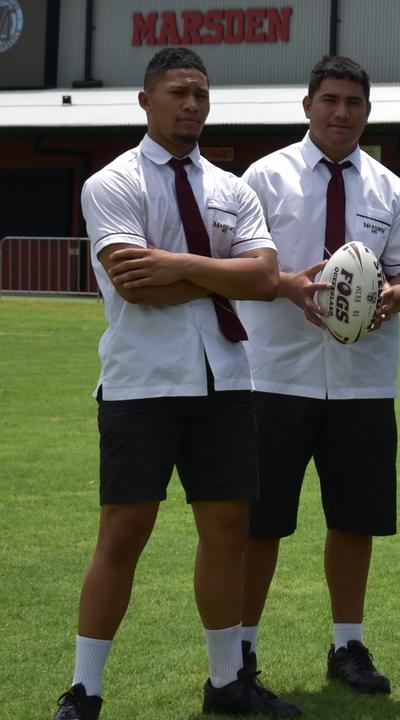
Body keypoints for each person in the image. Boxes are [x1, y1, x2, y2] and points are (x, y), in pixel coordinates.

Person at [52, 47, 298, 719]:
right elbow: (136, 288)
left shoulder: (231, 188)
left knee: (228, 528)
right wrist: (220, 272)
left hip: (224, 381)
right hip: (141, 382)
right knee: (124, 531)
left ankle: (226, 685)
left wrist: (175, 265)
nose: (192, 104)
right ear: (146, 100)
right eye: (178, 92)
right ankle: (85, 690)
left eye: (201, 93)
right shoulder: (112, 183)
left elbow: (266, 278)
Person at [237, 56, 400, 697]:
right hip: (274, 376)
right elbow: (237, 266)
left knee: (354, 519)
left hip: (362, 381)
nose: (341, 113)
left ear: (367, 112)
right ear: (308, 104)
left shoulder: (388, 189)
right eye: (331, 100)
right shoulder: (265, 178)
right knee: (260, 523)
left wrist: (390, 298)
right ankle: (241, 652)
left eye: (353, 103)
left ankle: (347, 645)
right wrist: (289, 287)